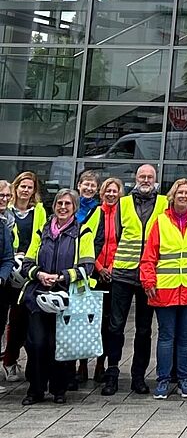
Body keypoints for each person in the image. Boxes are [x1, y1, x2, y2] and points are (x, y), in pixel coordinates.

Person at [140, 178, 187, 399]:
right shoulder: (161, 222)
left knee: (185, 339)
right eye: (180, 192)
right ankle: (163, 380)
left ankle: (184, 380)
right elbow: (149, 256)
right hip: (165, 289)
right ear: (173, 196)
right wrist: (148, 281)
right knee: (166, 337)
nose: (183, 196)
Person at [20, 189, 95, 405]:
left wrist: (60, 276)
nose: (63, 207)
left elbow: (87, 267)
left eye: (67, 204)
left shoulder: (83, 232)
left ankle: (59, 389)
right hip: (38, 296)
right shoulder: (41, 231)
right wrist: (40, 275)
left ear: (75, 208)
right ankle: (35, 390)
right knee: (36, 344)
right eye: (59, 203)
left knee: (58, 345)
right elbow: (27, 263)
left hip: (66, 297)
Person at [102, 164, 168, 396]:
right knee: (116, 326)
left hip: (149, 275)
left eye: (150, 176)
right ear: (135, 178)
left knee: (144, 329)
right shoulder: (123, 203)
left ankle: (138, 376)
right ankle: (111, 373)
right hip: (123, 272)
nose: (146, 180)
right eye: (142, 176)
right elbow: (116, 235)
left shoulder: (163, 203)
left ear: (156, 179)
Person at [4, 171, 47, 383]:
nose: (26, 190)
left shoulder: (39, 211)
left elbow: (41, 236)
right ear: (16, 187)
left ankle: (10, 360)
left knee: (19, 320)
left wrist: (28, 258)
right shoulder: (6, 209)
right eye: (22, 186)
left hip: (27, 271)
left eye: (30, 187)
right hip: (6, 268)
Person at [91, 177, 124, 383]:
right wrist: (99, 267)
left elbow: (125, 242)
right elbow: (88, 242)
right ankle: (84, 364)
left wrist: (111, 267)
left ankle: (102, 364)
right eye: (108, 191)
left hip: (115, 273)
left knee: (110, 324)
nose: (111, 194)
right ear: (102, 193)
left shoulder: (123, 215)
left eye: (115, 191)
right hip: (96, 273)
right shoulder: (96, 212)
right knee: (91, 321)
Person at [73, 170, 103, 385]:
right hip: (69, 271)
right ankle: (75, 366)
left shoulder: (99, 210)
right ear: (79, 185)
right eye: (86, 184)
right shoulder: (69, 207)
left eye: (93, 185)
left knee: (93, 320)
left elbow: (101, 240)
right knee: (72, 320)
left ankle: (95, 366)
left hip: (92, 271)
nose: (89, 188)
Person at [0, 181, 13, 393]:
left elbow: (8, 258)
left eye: (6, 196)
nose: (3, 198)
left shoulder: (4, 226)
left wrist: (1, 277)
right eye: (0, 195)